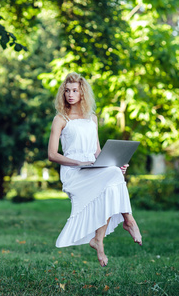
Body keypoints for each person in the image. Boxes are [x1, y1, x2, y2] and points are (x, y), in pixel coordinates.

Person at [48, 72, 142, 267]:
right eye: (67, 91)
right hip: (73, 172)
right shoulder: (61, 119)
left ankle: (98, 239)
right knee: (112, 178)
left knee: (115, 173)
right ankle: (129, 221)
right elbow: (52, 155)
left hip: (93, 167)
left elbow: (97, 151)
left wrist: (115, 163)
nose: (70, 94)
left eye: (74, 90)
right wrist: (78, 162)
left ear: (83, 93)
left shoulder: (92, 118)